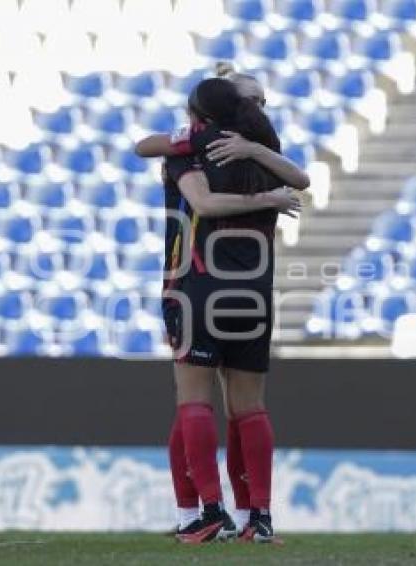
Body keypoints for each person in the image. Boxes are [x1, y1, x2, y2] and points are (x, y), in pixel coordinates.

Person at [135, 70, 308, 543]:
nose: (260, 106)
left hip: (194, 286)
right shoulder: (267, 162)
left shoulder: (191, 152)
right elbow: (302, 179)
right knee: (248, 409)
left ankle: (203, 511)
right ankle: (259, 518)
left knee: (192, 402)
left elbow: (195, 195)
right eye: (255, 99)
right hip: (254, 295)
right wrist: (260, 169)